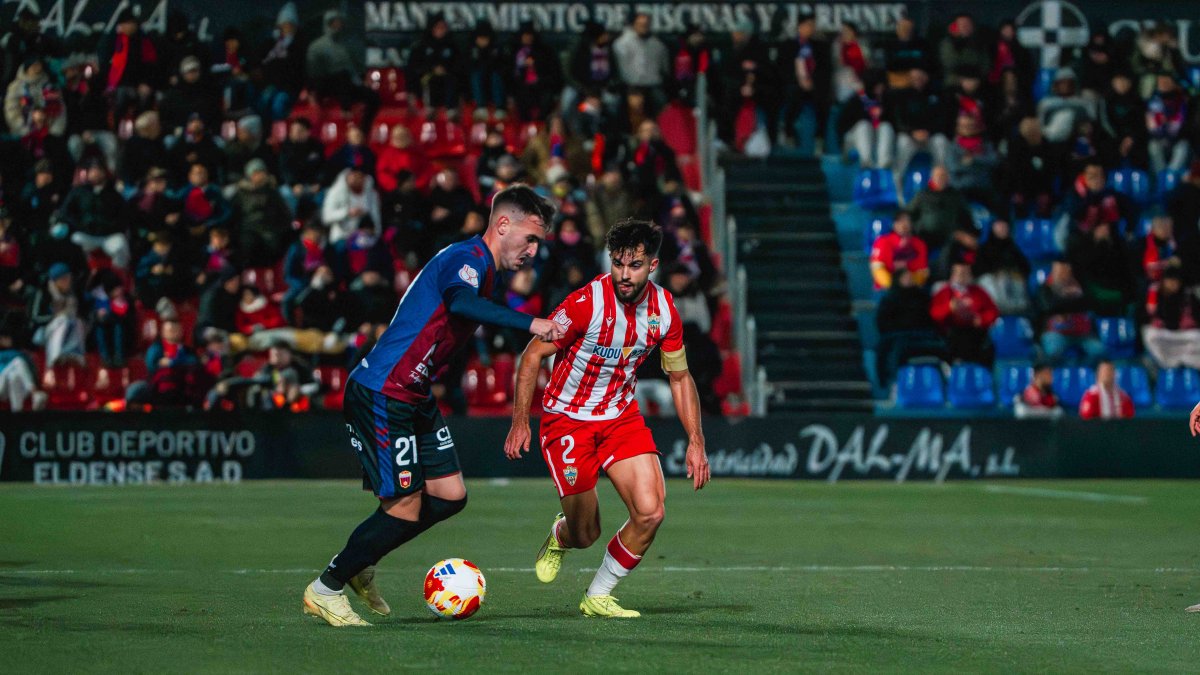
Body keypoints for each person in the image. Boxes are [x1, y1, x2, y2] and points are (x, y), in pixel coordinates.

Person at [302, 185, 567, 627]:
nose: (534, 251)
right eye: (531, 238)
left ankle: (361, 558)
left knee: (450, 495)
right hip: (384, 392)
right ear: (502, 225)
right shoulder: (467, 259)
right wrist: (532, 323)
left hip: (414, 394)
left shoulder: (486, 270)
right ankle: (326, 587)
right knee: (405, 504)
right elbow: (461, 303)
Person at [503, 218, 710, 619]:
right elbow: (532, 355)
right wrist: (519, 421)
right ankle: (561, 534)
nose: (624, 274)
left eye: (634, 266)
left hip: (619, 417)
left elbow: (680, 378)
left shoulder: (665, 311)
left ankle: (597, 594)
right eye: (617, 264)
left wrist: (696, 441)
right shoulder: (585, 304)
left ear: (652, 266)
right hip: (567, 421)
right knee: (586, 534)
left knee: (651, 511)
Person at [930, 262, 998, 366]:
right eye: (960, 273)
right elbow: (934, 314)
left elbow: (992, 312)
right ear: (953, 275)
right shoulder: (944, 292)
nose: (963, 276)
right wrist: (949, 308)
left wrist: (981, 320)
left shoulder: (979, 292)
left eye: (966, 273)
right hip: (952, 334)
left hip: (976, 333)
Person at [869, 210, 928, 290]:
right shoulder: (882, 241)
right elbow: (877, 268)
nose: (904, 224)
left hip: (912, 288)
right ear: (894, 224)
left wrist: (910, 282)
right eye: (900, 221)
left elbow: (922, 272)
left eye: (907, 220)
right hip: (886, 288)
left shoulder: (919, 244)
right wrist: (893, 284)